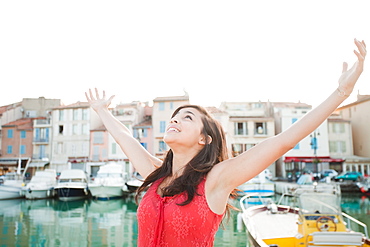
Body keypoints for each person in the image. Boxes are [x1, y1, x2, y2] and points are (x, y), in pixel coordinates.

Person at [85, 39, 366, 247]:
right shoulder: (156, 175)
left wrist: (341, 92)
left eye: (187, 117)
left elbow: (282, 142)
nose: (175, 120)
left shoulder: (216, 180)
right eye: (174, 117)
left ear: (203, 138)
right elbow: (124, 137)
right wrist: (102, 110)